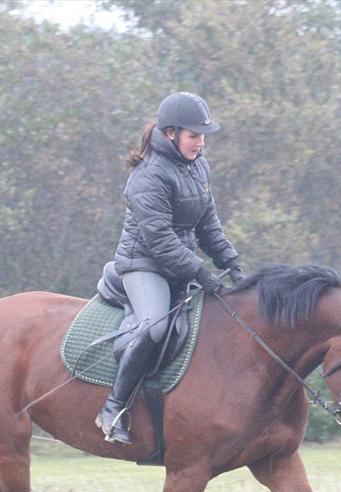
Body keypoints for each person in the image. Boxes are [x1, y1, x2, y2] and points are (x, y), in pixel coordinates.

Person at [96, 91, 246, 445]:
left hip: (179, 267)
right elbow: (160, 239)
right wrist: (201, 272)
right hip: (143, 264)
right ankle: (112, 408)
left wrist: (232, 264)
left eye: (203, 135)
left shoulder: (198, 166)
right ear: (170, 134)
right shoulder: (148, 176)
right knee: (155, 326)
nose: (201, 142)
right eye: (194, 135)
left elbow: (208, 224)